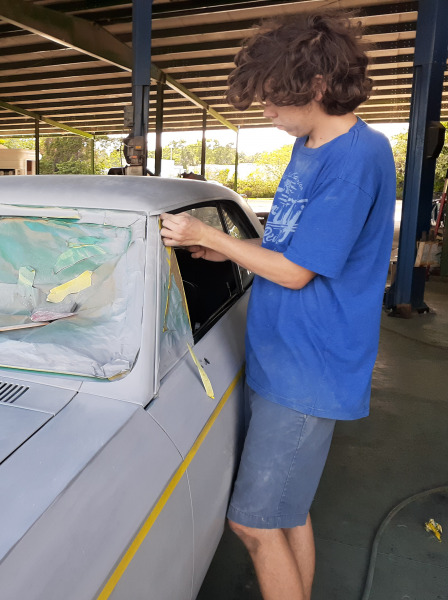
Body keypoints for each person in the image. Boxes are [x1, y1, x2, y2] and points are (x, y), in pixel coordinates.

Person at [160, 12, 395, 600]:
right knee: (288, 513)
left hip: (309, 367)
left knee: (253, 523)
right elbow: (289, 245)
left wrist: (207, 234)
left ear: (315, 87)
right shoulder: (309, 144)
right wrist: (231, 250)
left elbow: (294, 273)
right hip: (282, 353)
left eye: (272, 99)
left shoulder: (355, 160)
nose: (265, 111)